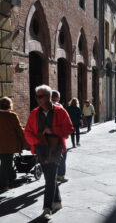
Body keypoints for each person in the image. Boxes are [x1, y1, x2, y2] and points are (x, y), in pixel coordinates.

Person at [24, 85, 74, 219]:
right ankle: (57, 202)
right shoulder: (34, 113)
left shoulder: (60, 111)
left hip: (55, 149)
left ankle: (47, 208)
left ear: (48, 97)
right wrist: (36, 141)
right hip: (40, 149)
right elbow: (27, 131)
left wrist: (53, 131)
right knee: (50, 178)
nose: (38, 99)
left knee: (50, 178)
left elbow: (69, 128)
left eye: (41, 96)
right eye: (37, 96)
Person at [0, 97, 25, 192]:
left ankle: (10, 178)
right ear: (9, 105)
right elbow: (19, 130)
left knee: (4, 164)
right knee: (6, 164)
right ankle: (3, 185)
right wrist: (24, 140)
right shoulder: (12, 116)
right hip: (8, 145)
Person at [51, 90, 69, 183]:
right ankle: (60, 175)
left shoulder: (42, 107)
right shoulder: (59, 107)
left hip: (47, 138)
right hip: (58, 136)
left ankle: (51, 176)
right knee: (62, 156)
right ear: (57, 97)